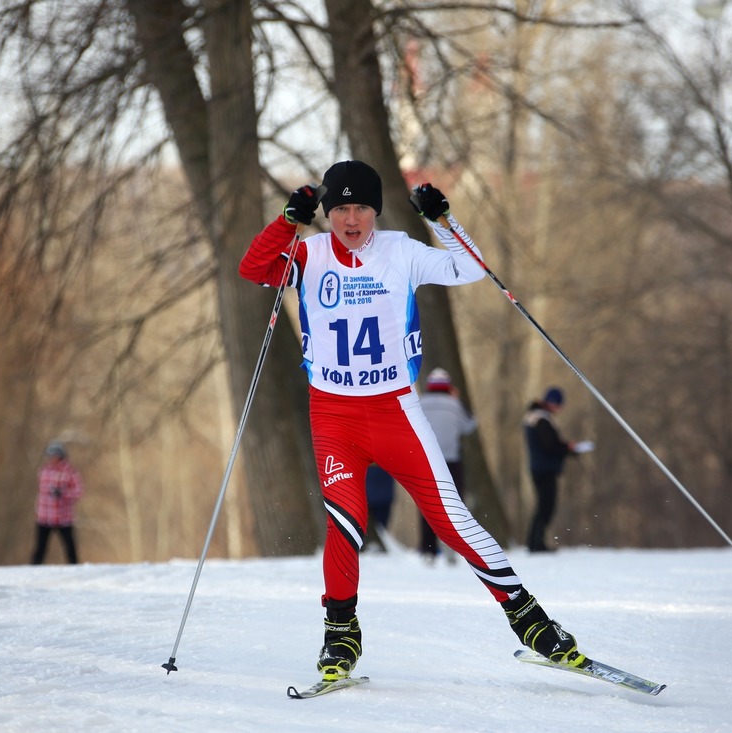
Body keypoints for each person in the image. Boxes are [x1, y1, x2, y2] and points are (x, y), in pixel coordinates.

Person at [239, 159, 585, 683]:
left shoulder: (400, 250)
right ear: (327, 213)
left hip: (395, 409)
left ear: (375, 210)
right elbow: (253, 268)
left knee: (451, 519)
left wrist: (444, 222)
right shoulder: (307, 254)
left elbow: (470, 269)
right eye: (339, 209)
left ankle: (530, 620)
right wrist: (288, 220)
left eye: (361, 208)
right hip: (333, 415)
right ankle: (341, 633)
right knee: (345, 525)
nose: (351, 219)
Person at [417, 367, 476, 562]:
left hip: (427, 460)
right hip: (451, 461)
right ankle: (453, 546)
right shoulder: (454, 404)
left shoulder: (419, 403)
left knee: (427, 505)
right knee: (454, 505)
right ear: (448, 387)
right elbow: (469, 426)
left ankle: (428, 549)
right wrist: (457, 398)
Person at [523, 387, 578, 553]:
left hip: (540, 467)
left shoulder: (536, 417)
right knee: (546, 506)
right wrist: (566, 447)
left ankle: (534, 542)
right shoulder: (541, 419)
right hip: (544, 468)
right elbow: (548, 445)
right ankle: (536, 543)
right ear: (553, 403)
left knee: (543, 505)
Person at [30, 441, 84, 565]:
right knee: (40, 548)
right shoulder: (43, 471)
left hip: (63, 517)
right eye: (48, 456)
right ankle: (32, 571)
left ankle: (75, 569)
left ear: (60, 456)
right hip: (44, 516)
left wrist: (63, 493)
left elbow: (79, 491)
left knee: (70, 547)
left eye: (53, 455)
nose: (50, 458)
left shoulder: (70, 472)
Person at [363, 463, 395, 552]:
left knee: (380, 524)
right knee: (378, 523)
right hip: (375, 473)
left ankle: (376, 541)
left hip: (381, 472)